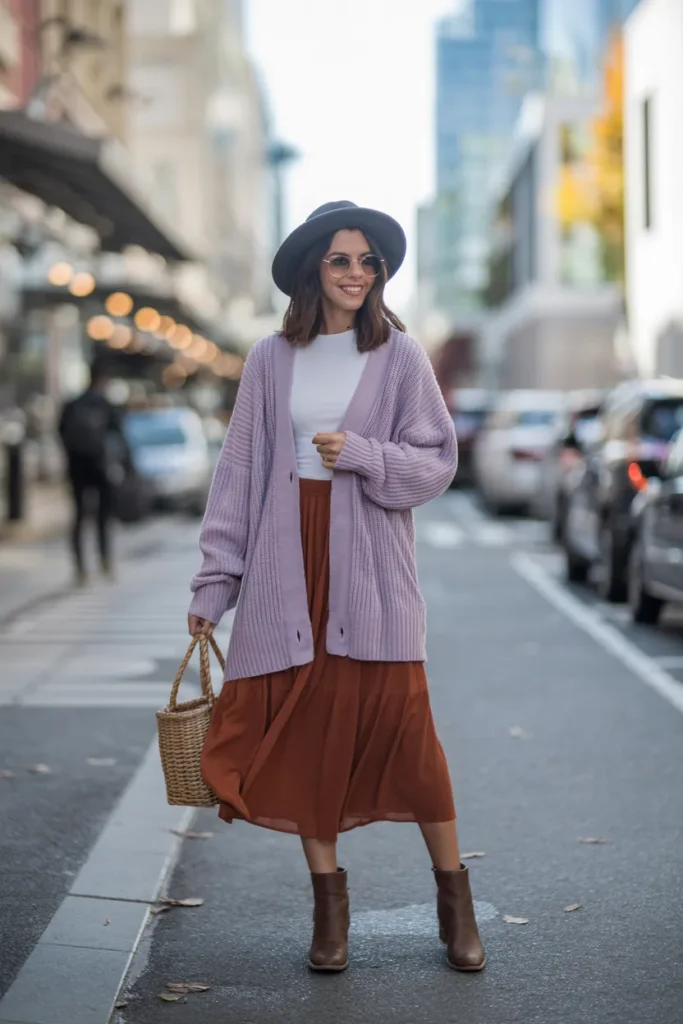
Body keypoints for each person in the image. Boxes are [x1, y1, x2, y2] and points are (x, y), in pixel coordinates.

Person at [188, 200, 486, 974]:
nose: (356, 274)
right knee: (310, 735)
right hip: (290, 572)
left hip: (372, 579)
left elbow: (435, 462)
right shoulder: (267, 359)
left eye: (367, 262)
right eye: (341, 260)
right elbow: (239, 478)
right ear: (313, 270)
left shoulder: (399, 356)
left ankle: (455, 904)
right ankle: (329, 913)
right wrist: (213, 586)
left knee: (409, 738)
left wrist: (362, 455)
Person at [58, 363, 128, 584]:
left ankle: (80, 568)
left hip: (77, 466)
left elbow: (60, 432)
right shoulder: (106, 405)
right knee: (103, 516)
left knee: (79, 515)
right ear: (104, 380)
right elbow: (119, 437)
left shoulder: (73, 404)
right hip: (102, 466)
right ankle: (105, 560)